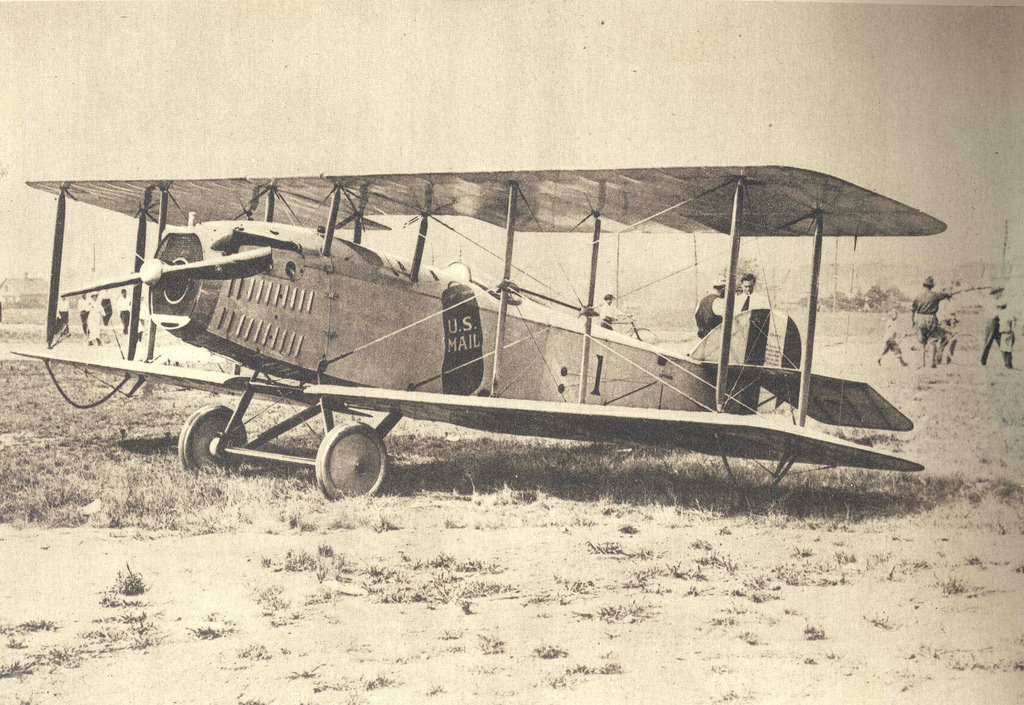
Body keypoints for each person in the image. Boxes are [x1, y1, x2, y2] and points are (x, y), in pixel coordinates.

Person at [910, 276, 952, 368]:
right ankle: (932, 363)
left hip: (920, 319)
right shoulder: (935, 295)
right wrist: (949, 294)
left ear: (924, 285)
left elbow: (913, 310)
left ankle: (922, 363)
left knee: (922, 343)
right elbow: (946, 294)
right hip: (931, 318)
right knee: (933, 341)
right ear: (932, 286)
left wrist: (913, 322)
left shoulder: (917, 296)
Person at [980, 293, 1003, 366]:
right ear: (994, 294)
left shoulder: (998, 301)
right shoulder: (992, 302)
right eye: (999, 292)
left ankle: (1007, 363)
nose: (1000, 294)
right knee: (988, 342)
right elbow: (994, 313)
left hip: (997, 323)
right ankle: (983, 361)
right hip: (992, 322)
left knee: (1001, 342)